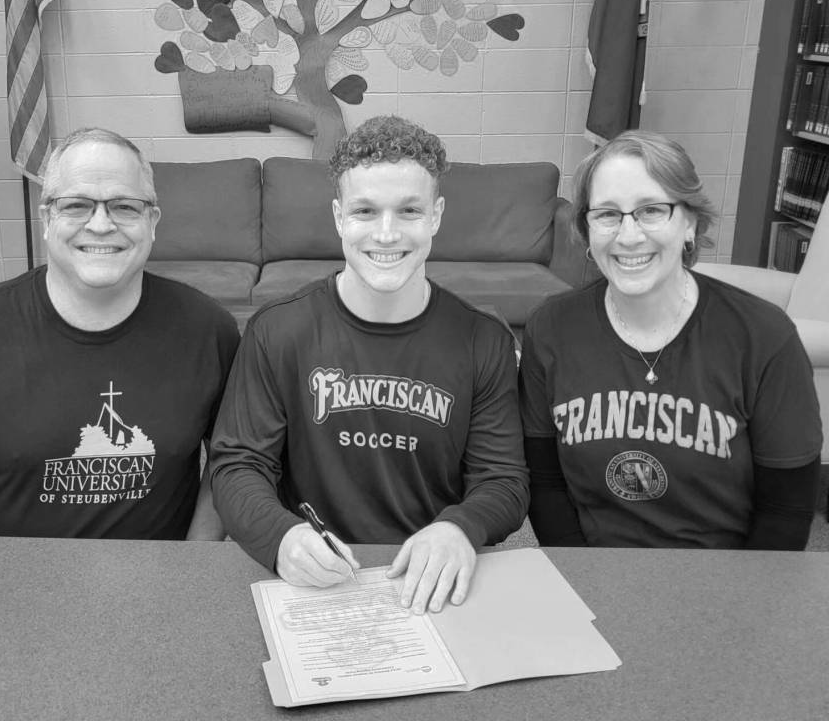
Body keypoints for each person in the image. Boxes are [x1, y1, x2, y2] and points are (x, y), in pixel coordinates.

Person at [210, 115, 529, 614]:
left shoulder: (482, 340)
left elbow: (503, 481)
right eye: (365, 210)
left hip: (433, 580)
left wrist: (460, 527)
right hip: (315, 577)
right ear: (338, 217)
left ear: (436, 217)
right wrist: (281, 538)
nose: (386, 234)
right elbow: (237, 464)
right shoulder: (278, 330)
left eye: (408, 211)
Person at [0, 128, 239, 539]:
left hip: (158, 586)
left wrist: (193, 565)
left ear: (152, 221)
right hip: (14, 588)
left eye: (125, 206)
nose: (101, 225)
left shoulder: (209, 331)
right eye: (76, 205)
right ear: (47, 218)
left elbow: (227, 463)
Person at [519, 129, 823, 550]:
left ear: (690, 222)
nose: (628, 236)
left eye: (651, 210)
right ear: (587, 232)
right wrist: (579, 578)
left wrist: (740, 607)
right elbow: (546, 482)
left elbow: (785, 512)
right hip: (593, 571)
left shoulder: (765, 338)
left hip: (723, 581)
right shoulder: (550, 328)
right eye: (607, 214)